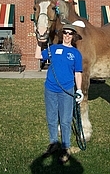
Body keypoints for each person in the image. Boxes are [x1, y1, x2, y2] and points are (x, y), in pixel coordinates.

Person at [35, 23, 84, 164]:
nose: (67, 35)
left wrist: (79, 90)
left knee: (65, 120)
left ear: (73, 36)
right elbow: (38, 55)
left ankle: (65, 147)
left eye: (70, 33)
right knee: (51, 118)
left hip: (67, 91)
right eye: (65, 33)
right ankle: (53, 143)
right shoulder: (54, 48)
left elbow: (78, 73)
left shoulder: (76, 53)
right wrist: (40, 40)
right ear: (62, 35)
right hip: (50, 89)